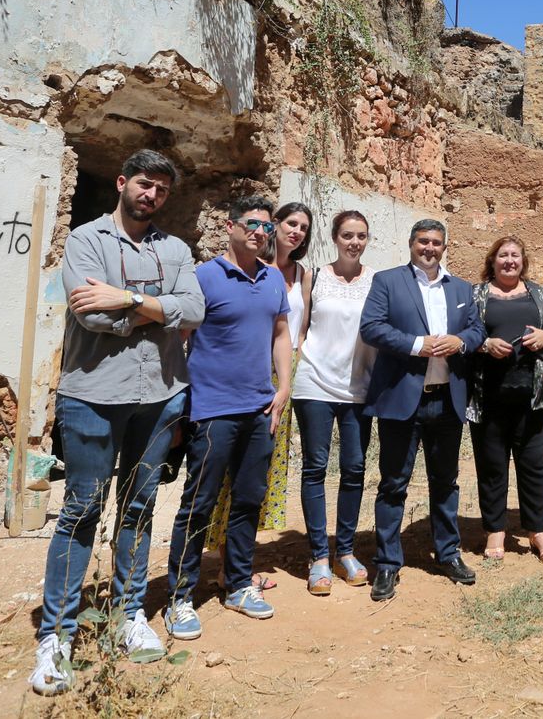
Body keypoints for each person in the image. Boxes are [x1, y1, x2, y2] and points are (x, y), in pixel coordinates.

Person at [31, 150, 204, 695]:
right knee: (81, 509)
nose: (151, 195)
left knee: (138, 504)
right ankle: (56, 633)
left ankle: (130, 614)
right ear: (123, 183)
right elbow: (89, 312)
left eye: (161, 189)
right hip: (93, 395)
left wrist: (126, 297)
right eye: (144, 184)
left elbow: (194, 310)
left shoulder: (176, 248)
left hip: (160, 396)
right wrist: (157, 311)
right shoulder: (86, 239)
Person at [163, 195, 293, 640]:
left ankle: (237, 583)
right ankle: (179, 596)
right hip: (213, 411)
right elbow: (180, 339)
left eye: (267, 228)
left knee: (247, 501)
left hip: (260, 409)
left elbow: (280, 332)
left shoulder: (273, 278)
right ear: (230, 226)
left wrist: (283, 387)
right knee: (198, 504)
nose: (260, 233)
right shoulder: (203, 277)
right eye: (252, 225)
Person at [360, 218, 486, 601]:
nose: (429, 249)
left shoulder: (462, 288)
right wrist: (419, 344)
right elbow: (371, 327)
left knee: (445, 482)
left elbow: (477, 331)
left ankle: (447, 553)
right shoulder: (387, 280)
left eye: (436, 243)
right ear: (411, 244)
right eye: (422, 242)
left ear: (444, 247)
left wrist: (459, 341)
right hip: (402, 399)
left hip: (446, 400)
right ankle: (387, 563)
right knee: (394, 483)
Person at [203, 201, 312, 590]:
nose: (295, 232)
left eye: (303, 226)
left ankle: (239, 559)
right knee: (228, 474)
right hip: (247, 372)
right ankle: (222, 560)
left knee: (259, 475)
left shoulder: (302, 274)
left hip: (283, 376)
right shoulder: (248, 269)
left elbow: (295, 330)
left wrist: (288, 381)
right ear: (273, 226)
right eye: (289, 223)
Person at [293, 210, 377, 592]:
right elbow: (301, 326)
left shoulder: (376, 281)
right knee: (315, 466)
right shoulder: (315, 276)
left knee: (355, 467)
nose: (354, 242)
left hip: (358, 386)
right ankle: (318, 557)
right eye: (347, 235)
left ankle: (345, 550)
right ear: (334, 237)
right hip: (313, 383)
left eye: (360, 236)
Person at [467, 236, 543, 565]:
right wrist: (484, 344)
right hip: (488, 396)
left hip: (531, 397)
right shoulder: (477, 296)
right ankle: (495, 529)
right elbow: (464, 333)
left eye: (515, 256)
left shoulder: (539, 294)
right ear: (492, 260)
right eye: (502, 255)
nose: (509, 261)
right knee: (492, 465)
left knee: (533, 465)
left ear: (523, 261)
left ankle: (537, 529)